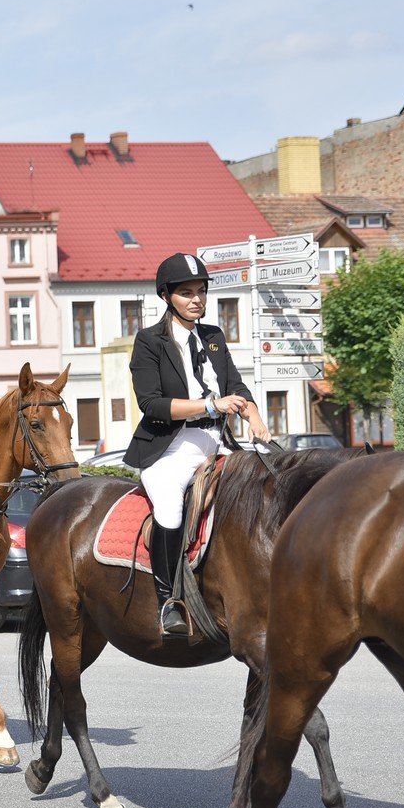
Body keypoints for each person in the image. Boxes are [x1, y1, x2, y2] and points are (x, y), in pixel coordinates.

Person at [124, 253, 272, 637]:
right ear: (166, 295)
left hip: (216, 443)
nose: (197, 300)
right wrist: (210, 404)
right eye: (187, 293)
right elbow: (151, 404)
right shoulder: (149, 342)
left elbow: (235, 386)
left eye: (201, 292)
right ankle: (168, 601)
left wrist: (253, 414)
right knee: (171, 510)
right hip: (169, 448)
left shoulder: (214, 338)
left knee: (270, 482)